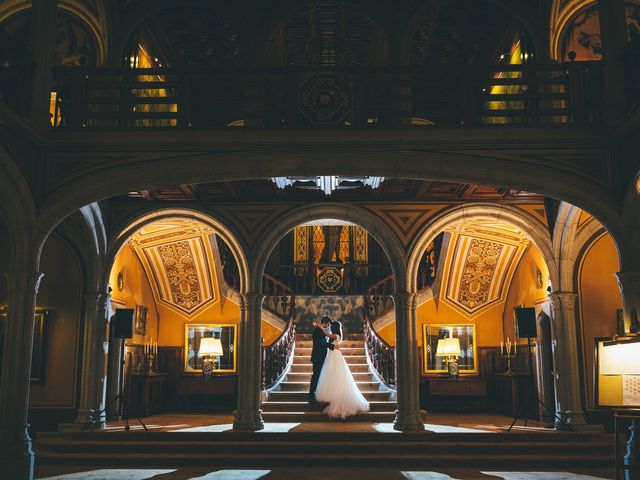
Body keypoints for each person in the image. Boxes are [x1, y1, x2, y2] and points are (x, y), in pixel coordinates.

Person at [314, 319, 370, 419]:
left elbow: (327, 334)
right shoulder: (336, 335)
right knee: (331, 374)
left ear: (333, 328)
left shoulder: (336, 336)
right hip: (332, 354)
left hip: (335, 355)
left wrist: (319, 326)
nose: (330, 328)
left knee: (336, 373)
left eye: (331, 327)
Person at [308, 316, 334, 405]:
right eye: (328, 324)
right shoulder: (317, 331)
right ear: (326, 323)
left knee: (318, 375)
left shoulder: (320, 330)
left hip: (320, 356)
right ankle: (311, 396)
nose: (328, 326)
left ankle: (315, 394)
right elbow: (322, 343)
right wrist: (333, 346)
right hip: (317, 357)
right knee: (316, 376)